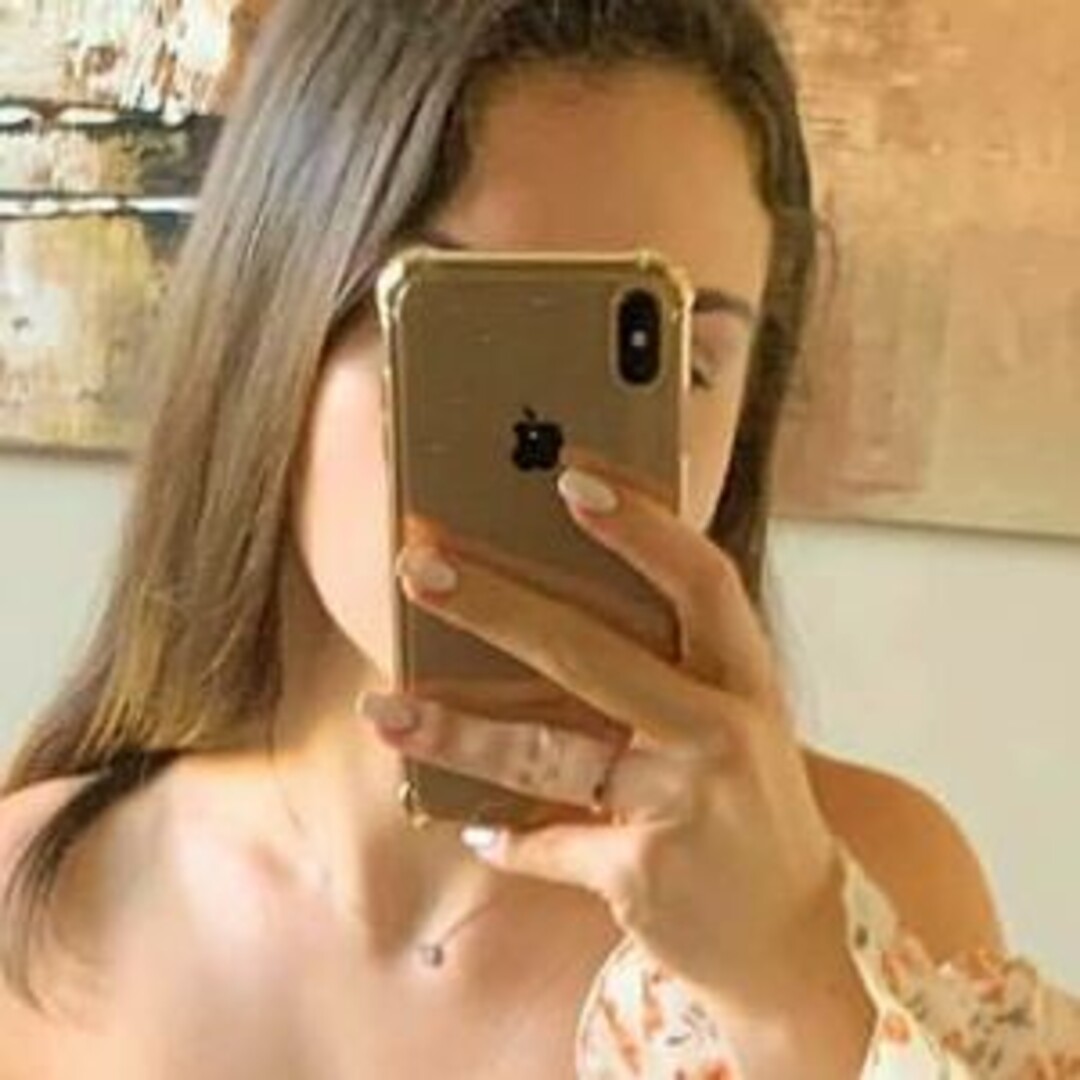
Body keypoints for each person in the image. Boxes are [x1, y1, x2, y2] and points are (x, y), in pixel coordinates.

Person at [1, 1, 1078, 1076]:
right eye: (473, 337)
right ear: (272, 327)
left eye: (668, 361)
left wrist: (797, 989)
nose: (563, 460)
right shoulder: (31, 901)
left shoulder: (874, 881)